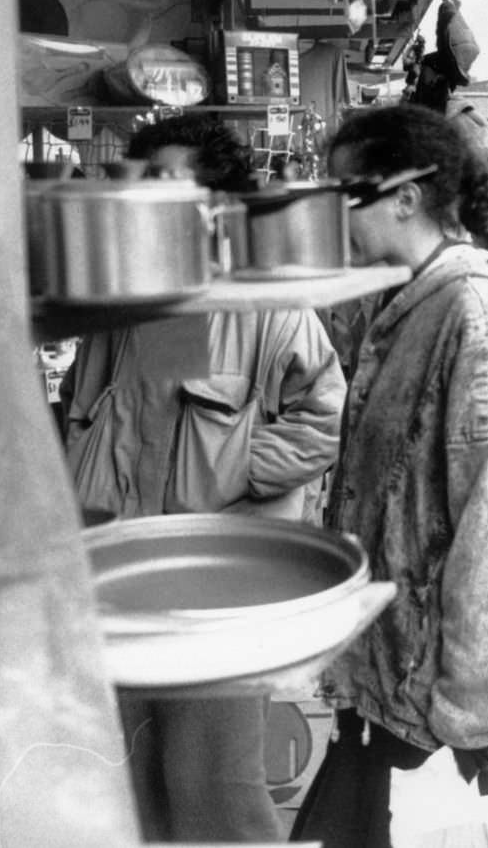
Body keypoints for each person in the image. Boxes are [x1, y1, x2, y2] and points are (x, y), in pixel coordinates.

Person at [292, 103, 488, 848]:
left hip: (435, 709)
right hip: (393, 683)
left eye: (345, 196)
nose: (337, 219)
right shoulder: (410, 302)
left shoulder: (472, 313)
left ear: (407, 196)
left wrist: (476, 707)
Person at [60, 113, 345, 843]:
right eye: (143, 180)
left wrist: (242, 464)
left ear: (218, 200)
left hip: (220, 595)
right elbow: (88, 418)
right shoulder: (117, 305)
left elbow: (329, 415)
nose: (151, 196)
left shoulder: (264, 301)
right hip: (122, 578)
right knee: (130, 782)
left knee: (215, 790)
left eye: (170, 182)